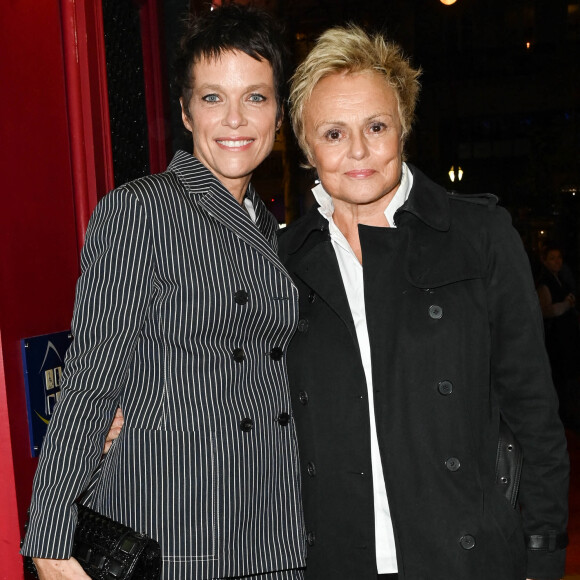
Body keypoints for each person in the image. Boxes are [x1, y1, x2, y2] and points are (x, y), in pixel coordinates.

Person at [20, 5, 305, 580]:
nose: (235, 119)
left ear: (278, 115)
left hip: (277, 527)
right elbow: (90, 379)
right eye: (211, 97)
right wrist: (49, 540)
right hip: (176, 526)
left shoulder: (274, 231)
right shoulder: (141, 210)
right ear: (184, 110)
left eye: (255, 97)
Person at [278, 25, 569, 580]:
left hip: (467, 558)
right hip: (336, 559)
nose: (358, 151)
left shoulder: (479, 235)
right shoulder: (281, 261)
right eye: (334, 133)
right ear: (307, 147)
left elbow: (534, 413)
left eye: (376, 126)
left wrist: (543, 551)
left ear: (404, 127)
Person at [537, 243, 580, 427]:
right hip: (556, 340)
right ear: (545, 261)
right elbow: (546, 310)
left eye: (559, 258)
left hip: (566, 337)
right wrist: (565, 304)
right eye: (552, 258)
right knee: (560, 380)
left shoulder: (561, 278)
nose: (557, 261)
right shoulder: (544, 282)